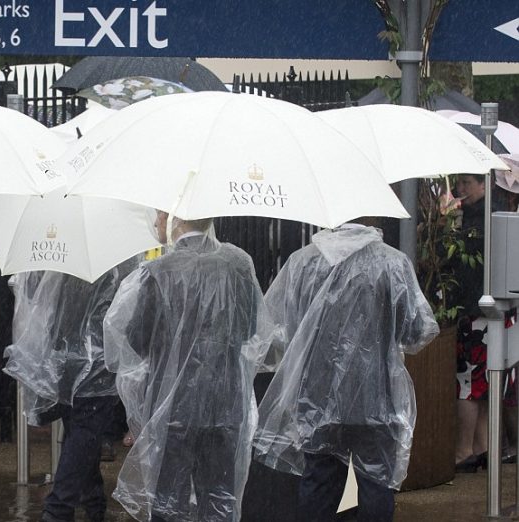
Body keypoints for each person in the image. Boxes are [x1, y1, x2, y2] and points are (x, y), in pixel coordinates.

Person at [254, 222, 439, 521]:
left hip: (317, 396)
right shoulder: (392, 262)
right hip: (375, 396)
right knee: (376, 483)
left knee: (319, 484)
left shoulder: (302, 262)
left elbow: (280, 329)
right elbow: (417, 330)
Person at [102, 211, 273, 522]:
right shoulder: (237, 265)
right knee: (219, 495)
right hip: (224, 401)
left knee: (168, 498)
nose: (155, 223)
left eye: (158, 215)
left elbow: (135, 338)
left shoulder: (156, 272)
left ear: (175, 219)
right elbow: (250, 329)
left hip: (172, 406)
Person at [3, 258, 136, 522]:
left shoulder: (59, 256)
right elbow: (126, 308)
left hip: (64, 356)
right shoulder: (116, 260)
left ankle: (94, 503)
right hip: (96, 363)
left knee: (79, 433)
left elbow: (34, 294)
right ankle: (58, 508)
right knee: (84, 435)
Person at [452, 174, 491, 472]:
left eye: (466, 182)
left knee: (467, 383)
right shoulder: (495, 213)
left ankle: (464, 450)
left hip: (472, 310)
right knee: (481, 385)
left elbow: (462, 270)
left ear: (482, 184)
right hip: (490, 311)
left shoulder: (474, 223)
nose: (460, 189)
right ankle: (482, 447)